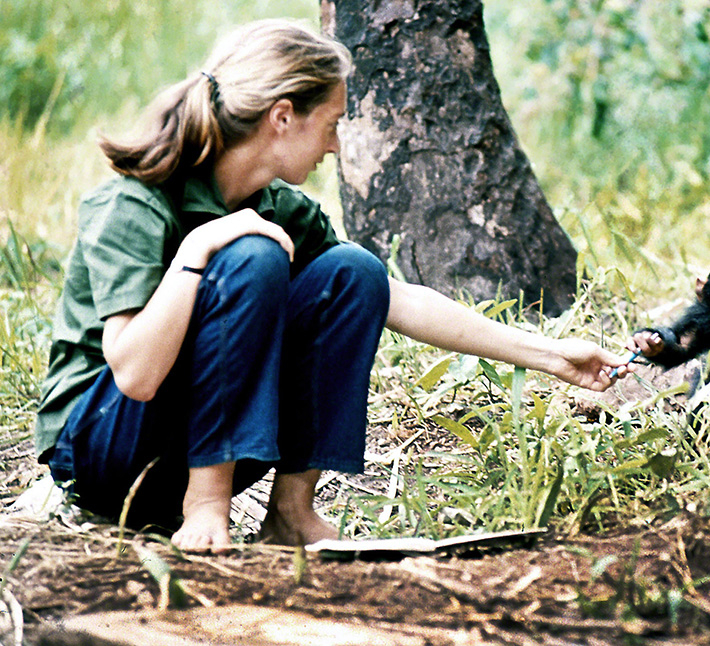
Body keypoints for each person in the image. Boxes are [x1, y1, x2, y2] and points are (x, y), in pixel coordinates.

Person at [33, 19, 631, 553]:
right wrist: (199, 247)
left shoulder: (276, 206)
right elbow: (134, 377)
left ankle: (291, 512)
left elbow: (393, 299)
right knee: (253, 254)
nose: (337, 145)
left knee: (354, 271)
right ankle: (206, 501)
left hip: (182, 445)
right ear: (283, 115)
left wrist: (553, 355)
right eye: (334, 123)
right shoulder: (136, 203)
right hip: (102, 452)